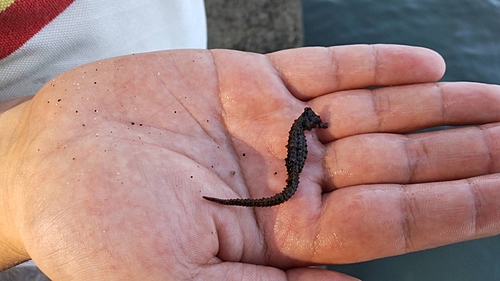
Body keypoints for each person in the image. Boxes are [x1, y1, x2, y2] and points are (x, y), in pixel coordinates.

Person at [1, 44, 500, 280]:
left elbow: (300, 145)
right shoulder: (299, 138)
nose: (312, 122)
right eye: (310, 121)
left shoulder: (300, 135)